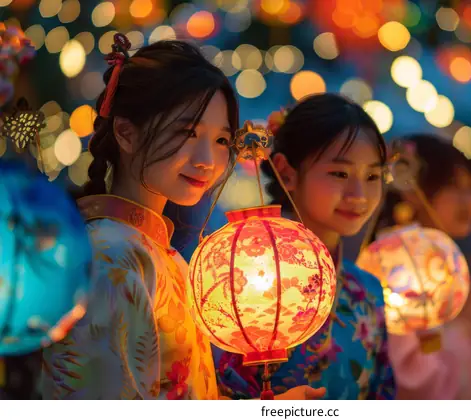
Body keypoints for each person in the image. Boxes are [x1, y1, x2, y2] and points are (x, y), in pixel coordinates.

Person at [40, 36, 323, 400]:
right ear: (126, 133)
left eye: (222, 140)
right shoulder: (110, 256)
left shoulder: (158, 254)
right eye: (187, 133)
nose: (207, 159)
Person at [212, 93, 396, 400]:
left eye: (373, 176)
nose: (359, 194)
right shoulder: (243, 282)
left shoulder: (366, 290)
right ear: (287, 173)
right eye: (340, 173)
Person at [362, 134, 471, 399]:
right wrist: (464, 324)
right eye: (453, 186)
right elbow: (410, 378)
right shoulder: (395, 270)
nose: (468, 201)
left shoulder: (453, 267)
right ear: (411, 187)